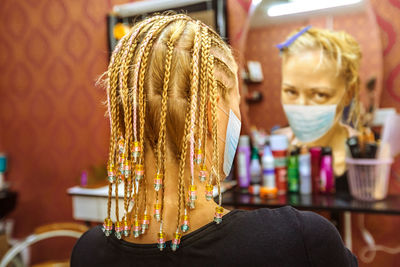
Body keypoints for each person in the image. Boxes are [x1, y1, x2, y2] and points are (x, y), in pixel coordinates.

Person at [71, 15, 357, 266]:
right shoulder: (301, 240)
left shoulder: (86, 253)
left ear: (123, 118)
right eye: (236, 102)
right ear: (211, 114)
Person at [276, 26, 361, 178]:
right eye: (291, 92)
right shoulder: (274, 149)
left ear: (348, 94)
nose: (301, 106)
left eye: (320, 95)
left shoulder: (364, 154)